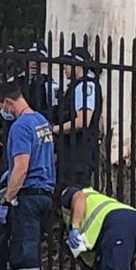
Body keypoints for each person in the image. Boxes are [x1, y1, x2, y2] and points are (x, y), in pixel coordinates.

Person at [0, 81, 55, 270]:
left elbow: (21, 167)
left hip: (26, 197)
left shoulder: (19, 127)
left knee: (23, 258)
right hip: (44, 194)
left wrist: (7, 198)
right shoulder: (42, 121)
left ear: (8, 102)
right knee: (21, 255)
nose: (3, 113)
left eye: (2, 107)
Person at [52, 47, 102, 187]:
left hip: (79, 152)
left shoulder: (85, 86)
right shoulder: (75, 87)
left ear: (78, 65)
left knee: (75, 194)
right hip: (71, 151)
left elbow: (82, 121)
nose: (64, 68)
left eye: (67, 64)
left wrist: (54, 129)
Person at [22, 41, 59, 121]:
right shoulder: (15, 81)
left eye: (38, 59)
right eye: (31, 58)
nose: (34, 63)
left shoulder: (50, 85)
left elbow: (55, 112)